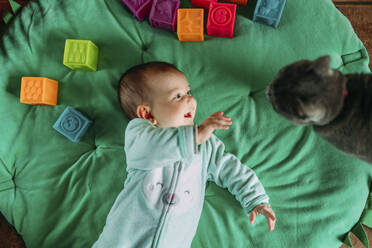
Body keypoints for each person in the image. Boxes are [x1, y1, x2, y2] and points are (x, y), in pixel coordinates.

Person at [92, 62, 276, 248]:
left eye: (189, 92)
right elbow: (153, 146)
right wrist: (196, 135)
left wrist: (256, 199)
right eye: (177, 96)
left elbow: (230, 169)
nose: (190, 100)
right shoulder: (139, 135)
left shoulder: (207, 145)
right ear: (147, 115)